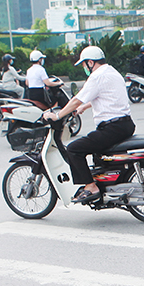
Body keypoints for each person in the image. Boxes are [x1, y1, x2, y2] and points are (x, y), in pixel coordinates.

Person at [43, 46, 134, 204]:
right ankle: (108, 186)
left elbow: (77, 99)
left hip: (112, 128)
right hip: (125, 124)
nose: (85, 68)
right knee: (97, 153)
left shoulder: (97, 76)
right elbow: (108, 96)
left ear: (91, 62)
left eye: (85, 64)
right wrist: (84, 107)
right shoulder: (112, 72)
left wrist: (57, 115)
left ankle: (91, 187)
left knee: (74, 149)